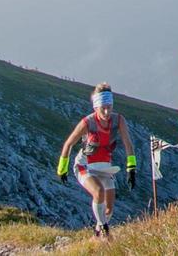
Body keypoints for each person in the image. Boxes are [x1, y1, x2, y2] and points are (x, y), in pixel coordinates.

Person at [56, 83, 137, 240]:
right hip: (84, 165)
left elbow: (128, 144)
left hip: (105, 167)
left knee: (109, 208)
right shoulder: (87, 122)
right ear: (95, 107)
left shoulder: (119, 120)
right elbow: (69, 143)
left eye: (109, 107)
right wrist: (62, 168)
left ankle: (98, 232)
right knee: (98, 192)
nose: (107, 112)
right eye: (102, 108)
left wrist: (131, 169)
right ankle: (105, 230)